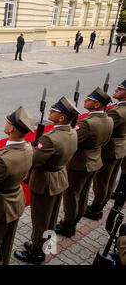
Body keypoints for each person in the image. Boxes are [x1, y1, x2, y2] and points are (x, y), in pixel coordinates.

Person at [14, 97, 80, 264]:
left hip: (45, 182)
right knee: (51, 217)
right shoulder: (71, 131)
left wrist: (31, 147)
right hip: (59, 177)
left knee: (40, 218)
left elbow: (34, 161)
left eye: (54, 110)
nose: (50, 110)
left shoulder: (50, 138)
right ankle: (43, 244)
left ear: (62, 118)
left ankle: (36, 252)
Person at [0, 106, 35, 265]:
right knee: (7, 244)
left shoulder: (2, 158)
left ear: (11, 128)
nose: (6, 123)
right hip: (16, 200)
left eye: (7, 121)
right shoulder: (28, 147)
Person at [56, 87, 114, 237]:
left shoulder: (87, 123)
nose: (85, 100)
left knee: (72, 195)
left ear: (96, 105)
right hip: (95, 159)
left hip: (79, 164)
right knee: (83, 194)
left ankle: (68, 225)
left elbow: (72, 141)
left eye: (89, 100)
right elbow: (106, 140)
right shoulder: (107, 118)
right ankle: (75, 220)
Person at [85, 80, 126, 220]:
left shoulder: (118, 112)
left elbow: (104, 129)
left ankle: (95, 209)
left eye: (120, 89)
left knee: (101, 183)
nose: (116, 90)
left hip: (110, 149)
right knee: (109, 181)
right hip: (120, 147)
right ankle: (100, 206)